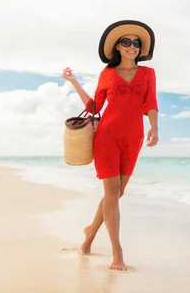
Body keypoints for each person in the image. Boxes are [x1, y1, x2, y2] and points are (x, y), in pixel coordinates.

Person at [61, 20, 159, 271]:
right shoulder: (107, 75)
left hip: (133, 138)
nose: (132, 46)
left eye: (136, 43)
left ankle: (90, 232)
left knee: (116, 194)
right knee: (112, 195)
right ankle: (117, 252)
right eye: (126, 42)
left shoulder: (148, 74)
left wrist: (154, 127)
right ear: (117, 46)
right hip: (106, 137)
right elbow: (95, 107)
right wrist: (74, 82)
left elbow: (151, 103)